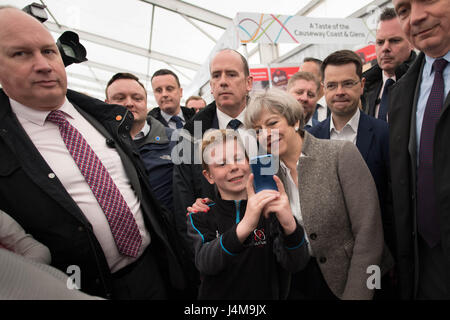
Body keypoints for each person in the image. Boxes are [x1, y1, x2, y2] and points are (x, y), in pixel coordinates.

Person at [0, 7, 185, 299]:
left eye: (49, 51)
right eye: (20, 54)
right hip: (76, 289)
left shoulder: (106, 119)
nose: (43, 65)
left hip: (153, 273)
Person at [244, 88, 385, 300]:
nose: (265, 134)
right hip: (298, 284)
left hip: (353, 278)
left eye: (272, 123)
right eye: (257, 130)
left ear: (294, 122)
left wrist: (358, 294)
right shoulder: (265, 173)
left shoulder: (339, 154)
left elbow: (369, 233)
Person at [187, 129, 308, 299]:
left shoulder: (271, 210)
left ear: (248, 163)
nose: (234, 167)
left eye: (238, 159)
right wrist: (246, 224)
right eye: (222, 164)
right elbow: (206, 263)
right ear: (209, 176)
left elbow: (296, 263)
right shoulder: (201, 214)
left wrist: (290, 225)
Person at [389, 0, 450, 299]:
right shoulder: (402, 92)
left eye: (427, 0)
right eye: (403, 10)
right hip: (423, 264)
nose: (416, 17)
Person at [172, 49, 253, 250]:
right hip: (216, 249)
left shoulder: (271, 125)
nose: (223, 82)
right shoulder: (190, 134)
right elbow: (183, 196)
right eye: (216, 76)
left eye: (231, 74)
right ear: (211, 86)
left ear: (248, 83)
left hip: (267, 245)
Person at [105, 72, 176, 213]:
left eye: (137, 98)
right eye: (120, 98)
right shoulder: (97, 143)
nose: (129, 103)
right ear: (107, 103)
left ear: (145, 102)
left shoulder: (176, 141)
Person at [362, 7, 416, 120]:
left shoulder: (423, 82)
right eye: (380, 42)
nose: (385, 48)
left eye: (395, 40)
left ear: (411, 43)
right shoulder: (365, 87)